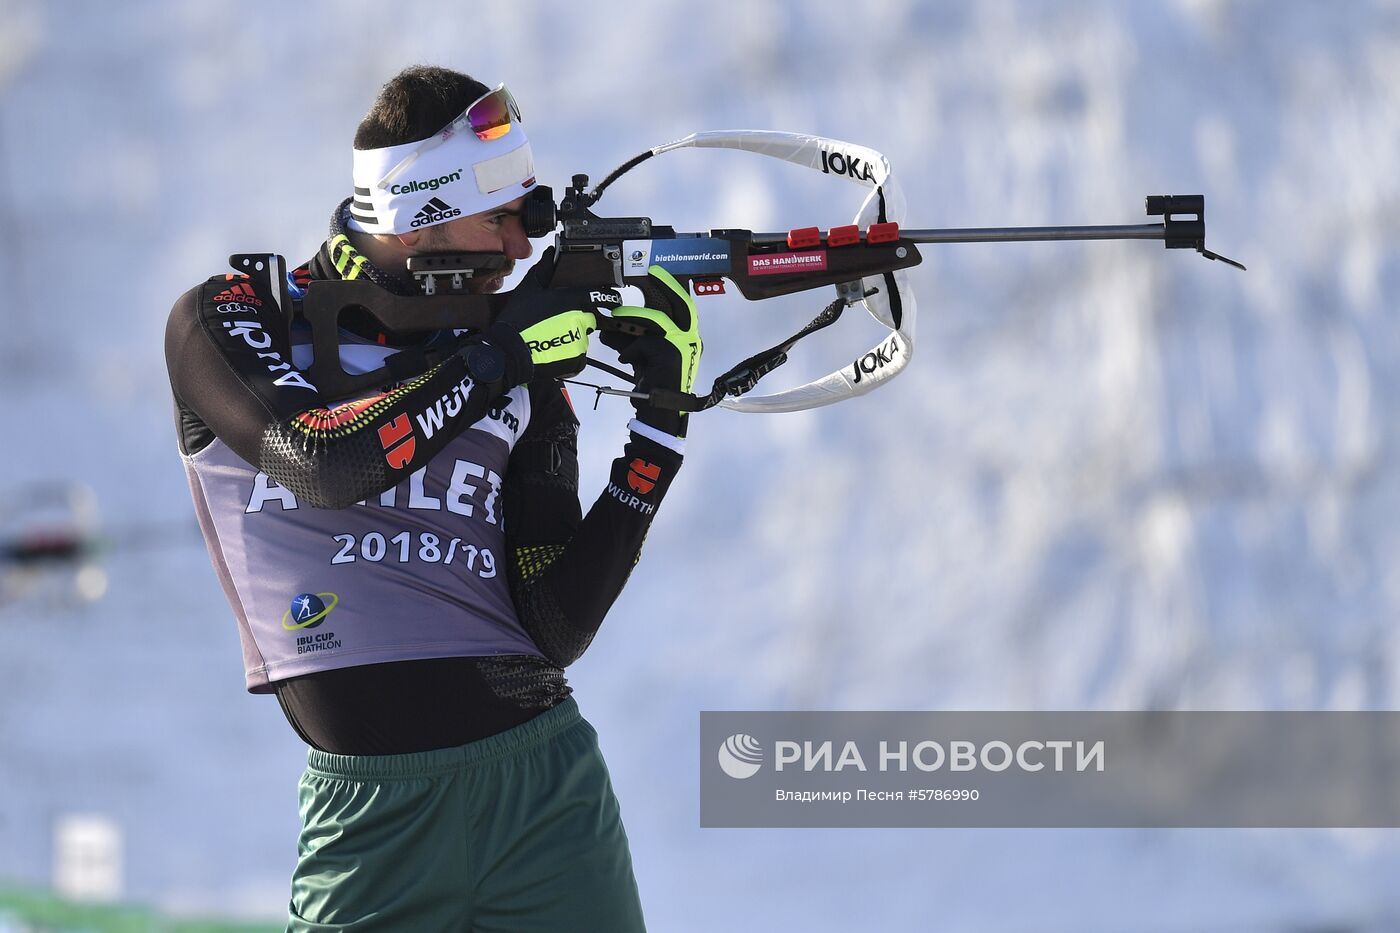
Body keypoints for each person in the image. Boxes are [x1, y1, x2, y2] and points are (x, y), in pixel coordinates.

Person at [164, 65, 701, 932]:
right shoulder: (236, 317)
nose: (523, 249)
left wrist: (659, 436)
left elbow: (554, 629)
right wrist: (492, 366)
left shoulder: (518, 362)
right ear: (423, 216)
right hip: (371, 821)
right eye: (503, 218)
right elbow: (323, 462)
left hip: (545, 790)